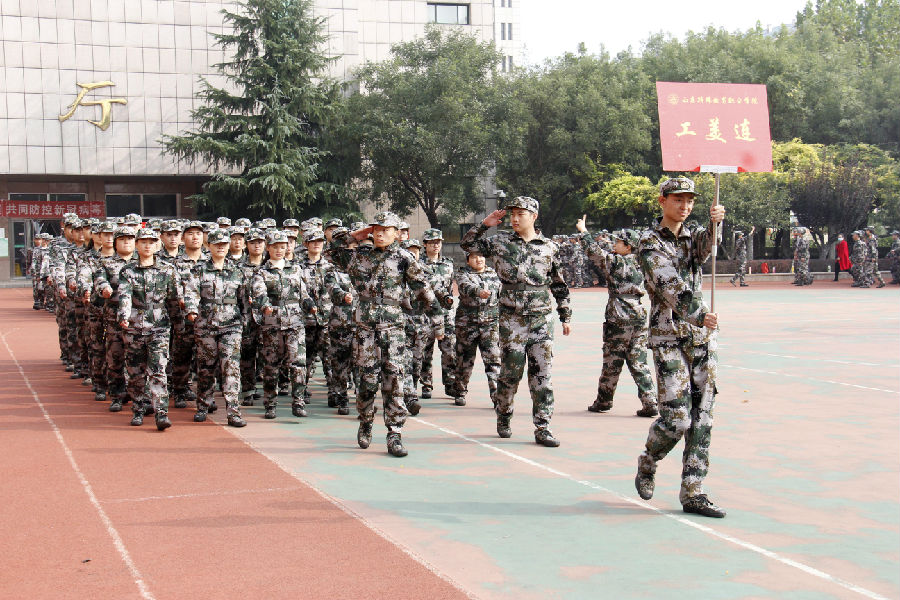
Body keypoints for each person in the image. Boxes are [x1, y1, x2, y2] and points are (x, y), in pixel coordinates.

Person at [634, 176, 727, 519]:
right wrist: (700, 315)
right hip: (669, 336)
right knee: (677, 418)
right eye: (678, 199)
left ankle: (694, 491)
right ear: (662, 201)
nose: (685, 206)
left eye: (690, 200)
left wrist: (716, 225)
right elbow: (668, 285)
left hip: (700, 337)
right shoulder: (649, 242)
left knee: (703, 417)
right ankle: (649, 459)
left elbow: (705, 250)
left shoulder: (692, 235)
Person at [460, 196, 571, 447]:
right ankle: (504, 415)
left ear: (534, 217)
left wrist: (565, 315)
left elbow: (559, 283)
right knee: (510, 373)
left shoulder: (549, 247)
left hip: (541, 317)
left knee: (542, 373)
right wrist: (484, 225)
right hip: (512, 319)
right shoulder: (500, 242)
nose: (515, 218)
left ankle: (543, 427)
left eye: (521, 214)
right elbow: (468, 245)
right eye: (512, 214)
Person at [341, 212, 449, 457]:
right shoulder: (359, 256)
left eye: (386, 229)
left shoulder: (404, 258)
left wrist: (437, 320)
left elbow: (423, 289)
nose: (380, 233)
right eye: (376, 229)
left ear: (397, 233)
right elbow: (332, 250)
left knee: (394, 379)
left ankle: (395, 433)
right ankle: (366, 421)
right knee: (367, 381)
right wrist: (355, 236)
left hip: (393, 328)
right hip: (365, 329)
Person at [574, 221, 658, 418]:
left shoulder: (617, 262)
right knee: (639, 361)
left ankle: (604, 401)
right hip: (638, 313)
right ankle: (650, 401)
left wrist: (584, 231)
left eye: (619, 242)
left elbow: (594, 252)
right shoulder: (643, 263)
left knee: (612, 360)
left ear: (628, 247)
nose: (615, 244)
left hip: (619, 314)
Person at [117, 228, 181, 431]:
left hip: (159, 327)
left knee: (158, 370)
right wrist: (124, 316)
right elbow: (125, 295)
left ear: (157, 245)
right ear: (137, 245)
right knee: (135, 372)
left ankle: (161, 412)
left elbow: (173, 299)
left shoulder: (167, 270)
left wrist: (178, 324)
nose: (147, 245)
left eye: (151, 242)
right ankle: (138, 408)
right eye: (143, 242)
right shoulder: (128, 271)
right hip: (134, 326)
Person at [183, 229, 248, 427]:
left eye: (224, 244)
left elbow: (244, 298)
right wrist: (191, 310)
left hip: (231, 325)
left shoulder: (237, 270)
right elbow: (191, 292)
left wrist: (245, 319)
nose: (220, 247)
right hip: (206, 325)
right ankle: (203, 405)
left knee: (231, 367)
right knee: (206, 367)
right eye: (216, 244)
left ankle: (233, 412)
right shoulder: (199, 270)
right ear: (208, 246)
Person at [249, 230, 316, 419]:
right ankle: (270, 404)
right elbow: (259, 294)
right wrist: (265, 306)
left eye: (282, 247)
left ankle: (298, 402)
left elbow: (303, 293)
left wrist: (310, 305)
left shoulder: (295, 269)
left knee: (298, 364)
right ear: (268, 248)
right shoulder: (261, 272)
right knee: (271, 365)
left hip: (295, 322)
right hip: (273, 324)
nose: (279, 250)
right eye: (275, 247)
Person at [452, 249, 501, 407]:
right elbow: (465, 287)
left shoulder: (494, 274)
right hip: (467, 324)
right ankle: (460, 391)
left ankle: (497, 397)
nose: (479, 259)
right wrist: (479, 292)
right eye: (474, 257)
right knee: (464, 360)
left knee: (493, 360)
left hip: (490, 324)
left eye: (481, 256)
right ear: (468, 260)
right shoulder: (462, 273)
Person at [420, 228, 457, 400]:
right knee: (425, 351)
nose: (436, 245)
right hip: (425, 313)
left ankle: (450, 384)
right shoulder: (418, 264)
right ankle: (426, 384)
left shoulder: (448, 264)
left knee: (449, 350)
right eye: (432, 242)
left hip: (445, 314)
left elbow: (450, 288)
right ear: (425, 244)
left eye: (438, 242)